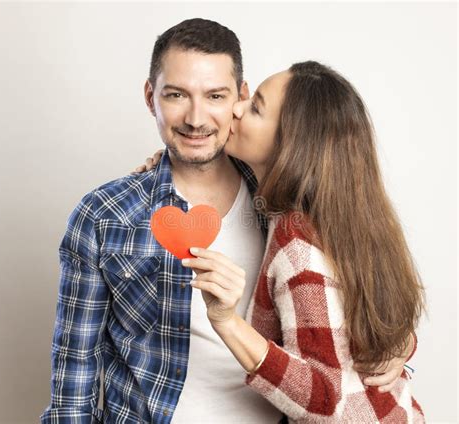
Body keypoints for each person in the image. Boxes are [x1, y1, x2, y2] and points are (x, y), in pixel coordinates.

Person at [40, 17, 413, 424]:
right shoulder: (105, 216)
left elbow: (360, 300)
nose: (196, 118)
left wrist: (400, 346)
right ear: (152, 97)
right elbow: (71, 391)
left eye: (215, 96)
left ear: (240, 97)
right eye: (177, 95)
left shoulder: (290, 208)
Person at [138, 61, 425, 422]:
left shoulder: (296, 243)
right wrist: (164, 170)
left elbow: (323, 398)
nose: (237, 109)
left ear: (292, 143)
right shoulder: (338, 212)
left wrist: (228, 321)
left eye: (255, 107)